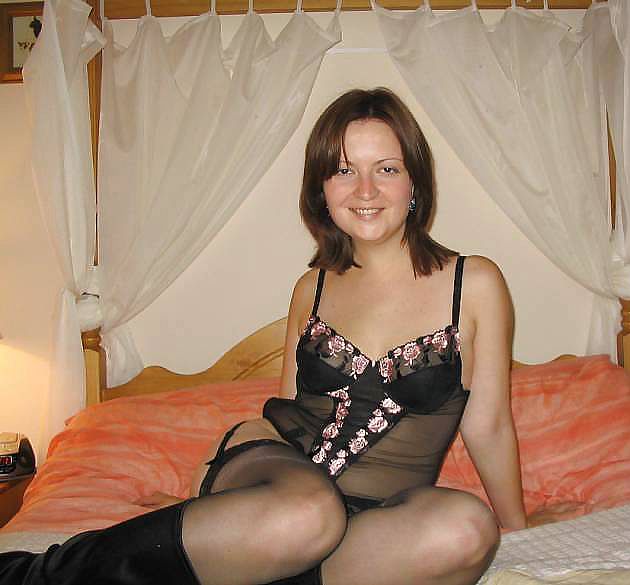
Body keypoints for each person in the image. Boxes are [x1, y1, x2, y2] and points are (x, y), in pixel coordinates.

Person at [0, 87, 525, 585]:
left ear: (414, 184)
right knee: (307, 512)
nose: (365, 190)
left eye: (386, 169)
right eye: (344, 170)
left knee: (466, 529)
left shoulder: (473, 283)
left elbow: (489, 425)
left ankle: (234, 558)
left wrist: (518, 527)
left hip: (367, 517)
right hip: (278, 481)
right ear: (322, 190)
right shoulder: (313, 288)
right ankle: (38, 574)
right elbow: (292, 407)